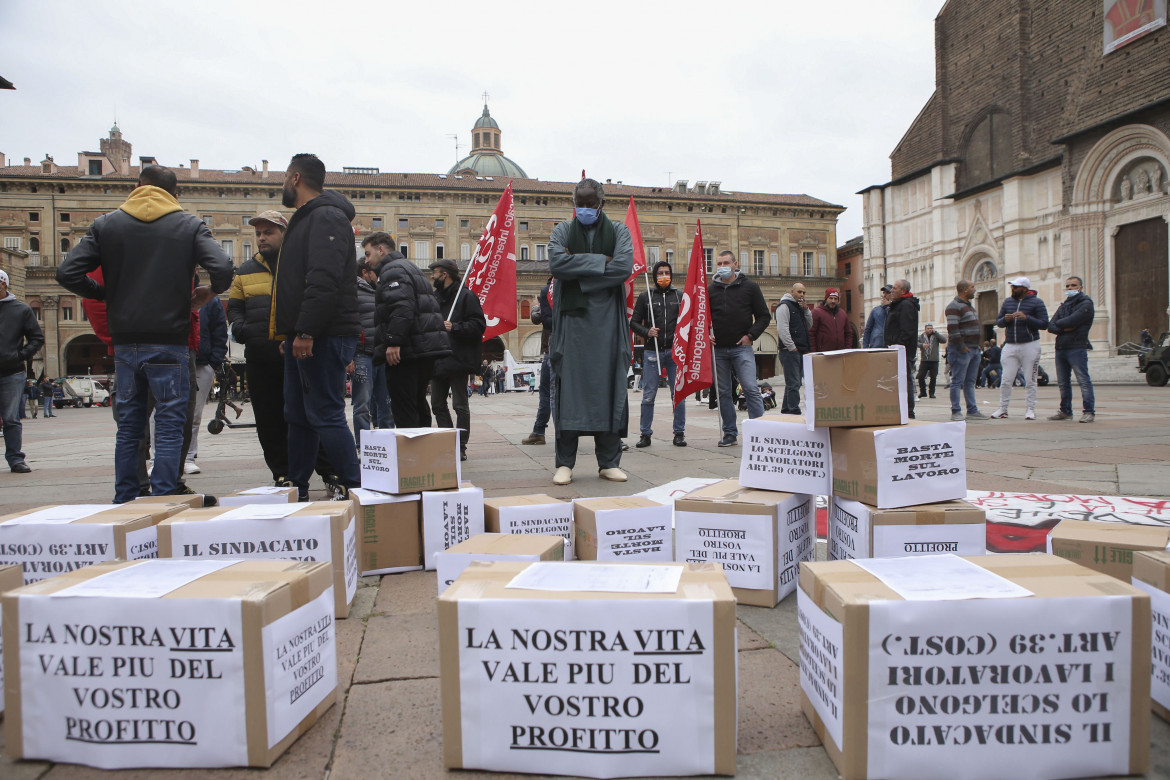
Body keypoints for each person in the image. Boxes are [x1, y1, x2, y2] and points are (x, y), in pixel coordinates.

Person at [57, 166, 231, 500]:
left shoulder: (106, 225)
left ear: (137, 188)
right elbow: (223, 268)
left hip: (126, 342)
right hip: (170, 340)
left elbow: (68, 272)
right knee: (169, 422)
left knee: (130, 425)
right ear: (175, 194)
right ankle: (164, 496)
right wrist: (210, 292)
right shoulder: (189, 225)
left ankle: (125, 497)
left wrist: (103, 293)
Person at [272, 153, 362, 500]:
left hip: (324, 334)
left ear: (295, 178)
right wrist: (292, 332)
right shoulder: (310, 218)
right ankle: (296, 489)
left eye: (283, 176)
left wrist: (306, 330)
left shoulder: (325, 216)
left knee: (324, 412)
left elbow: (323, 279)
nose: (283, 183)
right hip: (308, 333)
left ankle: (358, 491)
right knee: (297, 414)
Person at [547, 178, 632, 485]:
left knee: (608, 388)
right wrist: (600, 263)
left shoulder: (619, 232)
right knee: (569, 390)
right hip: (573, 324)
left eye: (589, 204)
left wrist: (578, 273)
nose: (584, 209)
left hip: (608, 326)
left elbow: (623, 268)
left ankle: (608, 462)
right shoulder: (561, 231)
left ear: (601, 203)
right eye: (579, 204)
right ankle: (564, 463)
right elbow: (557, 264)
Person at [366, 232, 450, 428]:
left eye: (369, 254)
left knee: (404, 406)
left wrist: (394, 341)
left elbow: (402, 306)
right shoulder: (409, 267)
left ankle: (410, 455)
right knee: (418, 402)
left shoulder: (392, 270)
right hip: (421, 348)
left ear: (381, 249)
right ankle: (422, 453)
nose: (366, 260)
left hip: (407, 350)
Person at [709, 250, 771, 445]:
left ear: (735, 264)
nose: (722, 266)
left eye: (726, 262)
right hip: (718, 350)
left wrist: (750, 336)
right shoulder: (710, 290)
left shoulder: (750, 287)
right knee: (724, 393)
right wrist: (705, 335)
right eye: (719, 263)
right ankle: (729, 433)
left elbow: (764, 316)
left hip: (741, 348)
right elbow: (701, 317)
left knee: (751, 388)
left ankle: (759, 432)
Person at [429, 258, 486, 461]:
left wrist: (455, 327)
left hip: (458, 358)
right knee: (436, 404)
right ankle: (447, 442)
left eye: (435, 272)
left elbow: (479, 324)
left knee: (460, 405)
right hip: (438, 358)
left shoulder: (466, 296)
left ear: (445, 274)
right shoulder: (434, 297)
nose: (432, 276)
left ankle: (460, 445)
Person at [629, 260, 686, 447]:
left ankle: (679, 433)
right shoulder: (646, 296)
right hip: (652, 350)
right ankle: (645, 434)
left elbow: (688, 322)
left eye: (666, 272)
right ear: (654, 276)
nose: (664, 276)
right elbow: (634, 322)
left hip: (674, 352)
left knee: (677, 393)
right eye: (660, 273)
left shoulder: (679, 296)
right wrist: (647, 332)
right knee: (649, 394)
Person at [0, 269, 45, 473]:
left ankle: (15, 459)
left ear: (4, 284)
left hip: (12, 371)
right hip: (12, 370)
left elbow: (37, 338)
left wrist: (21, 355)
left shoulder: (21, 310)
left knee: (11, 418)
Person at [991, 276, 1049, 420]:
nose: (1013, 289)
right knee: (1005, 379)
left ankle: (1030, 409)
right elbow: (999, 321)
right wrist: (1005, 319)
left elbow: (1044, 323)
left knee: (1030, 379)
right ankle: (1003, 409)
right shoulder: (1008, 302)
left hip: (1030, 344)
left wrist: (1026, 318)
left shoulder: (1037, 302)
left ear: (1024, 289)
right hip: (1010, 344)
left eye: (1016, 287)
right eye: (1012, 287)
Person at [352, 256, 394, 446]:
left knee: (386, 402)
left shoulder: (382, 291)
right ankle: (363, 445)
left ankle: (387, 443)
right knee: (362, 404)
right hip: (362, 353)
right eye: (375, 272)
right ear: (365, 272)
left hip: (382, 354)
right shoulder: (353, 291)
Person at [187, 296, 227, 474]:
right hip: (171, 357)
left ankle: (188, 457)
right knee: (159, 413)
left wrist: (214, 362)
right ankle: (158, 459)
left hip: (202, 362)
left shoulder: (209, 298)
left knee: (194, 413)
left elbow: (219, 330)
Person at [1047, 276, 1095, 423]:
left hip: (1076, 346)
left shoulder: (1086, 304)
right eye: (1067, 286)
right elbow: (1051, 325)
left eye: (1073, 285)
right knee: (1063, 382)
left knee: (1083, 380)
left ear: (1080, 287)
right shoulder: (1064, 305)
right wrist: (1065, 328)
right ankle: (1065, 411)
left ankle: (1089, 411)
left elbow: (1072, 320)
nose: (1070, 288)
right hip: (1061, 347)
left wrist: (1061, 325)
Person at [944, 280, 988, 421]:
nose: (974, 290)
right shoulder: (954, 306)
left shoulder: (969, 307)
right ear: (964, 290)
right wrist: (962, 347)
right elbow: (953, 329)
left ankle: (972, 410)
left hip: (974, 349)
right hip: (961, 350)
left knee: (970, 382)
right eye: (972, 287)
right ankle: (956, 411)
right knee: (957, 381)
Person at [522, 279, 555, 445]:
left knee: (547, 393)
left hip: (551, 349)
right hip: (570, 348)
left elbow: (537, 318)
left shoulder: (548, 292)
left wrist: (536, 306)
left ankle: (539, 431)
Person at [884, 278, 920, 419]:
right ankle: (902, 409)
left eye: (895, 288)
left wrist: (898, 346)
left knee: (905, 380)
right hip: (897, 349)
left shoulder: (906, 305)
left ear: (903, 291)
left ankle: (908, 411)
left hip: (901, 350)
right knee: (901, 380)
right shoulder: (900, 304)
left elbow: (907, 330)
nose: (892, 290)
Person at [776, 282, 812, 415]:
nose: (802, 295)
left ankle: (787, 409)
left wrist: (806, 310)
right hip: (790, 351)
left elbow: (809, 325)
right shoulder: (784, 306)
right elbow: (782, 329)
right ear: (792, 292)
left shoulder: (800, 308)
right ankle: (793, 410)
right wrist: (792, 347)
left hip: (800, 349)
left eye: (804, 292)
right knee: (794, 382)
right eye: (799, 292)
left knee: (793, 382)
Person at [810, 287, 854, 352]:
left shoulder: (843, 314)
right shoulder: (816, 312)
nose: (833, 301)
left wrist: (847, 349)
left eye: (835, 299)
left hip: (840, 353)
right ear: (826, 299)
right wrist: (814, 352)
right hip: (823, 353)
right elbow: (811, 334)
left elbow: (849, 333)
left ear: (838, 300)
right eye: (831, 298)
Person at [916, 323, 945, 398]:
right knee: (920, 376)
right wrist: (922, 345)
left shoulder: (936, 336)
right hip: (924, 360)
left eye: (931, 328)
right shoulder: (921, 336)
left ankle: (931, 393)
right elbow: (915, 343)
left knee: (933, 377)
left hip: (934, 360)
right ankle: (923, 392)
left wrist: (936, 332)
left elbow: (944, 340)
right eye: (928, 328)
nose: (930, 330)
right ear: (925, 329)